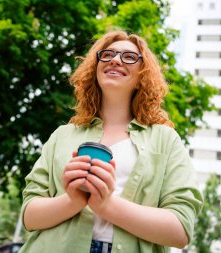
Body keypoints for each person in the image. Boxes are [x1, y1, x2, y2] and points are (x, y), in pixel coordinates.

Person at [19, 30, 203, 253]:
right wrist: (72, 200)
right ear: (95, 69)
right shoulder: (62, 135)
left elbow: (180, 230)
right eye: (107, 55)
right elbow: (29, 216)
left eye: (128, 57)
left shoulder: (165, 139)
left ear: (142, 76)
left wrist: (107, 205)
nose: (115, 59)